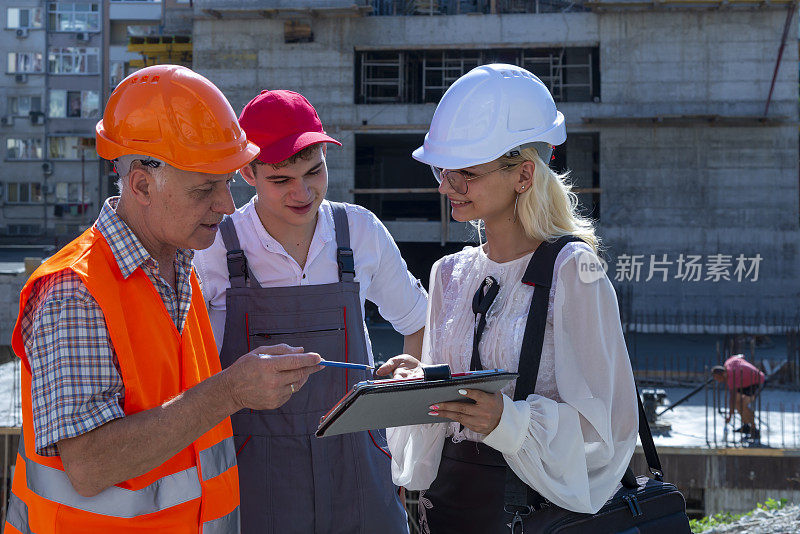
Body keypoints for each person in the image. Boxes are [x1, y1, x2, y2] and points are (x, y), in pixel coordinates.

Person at [5, 65, 322, 534]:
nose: (227, 205)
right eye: (204, 189)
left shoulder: (178, 265)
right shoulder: (74, 291)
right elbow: (90, 464)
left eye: (228, 182)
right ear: (141, 185)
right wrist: (232, 390)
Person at [378, 64, 639, 533]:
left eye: (466, 174)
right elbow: (447, 410)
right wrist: (416, 384)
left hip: (533, 510)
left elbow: (610, 428)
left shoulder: (573, 271)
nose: (445, 187)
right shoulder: (450, 274)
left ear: (523, 174)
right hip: (450, 505)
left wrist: (509, 420)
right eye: (443, 170)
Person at [193, 89, 427, 533]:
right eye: (282, 180)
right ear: (247, 172)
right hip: (254, 474)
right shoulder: (215, 248)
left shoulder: (359, 230)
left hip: (360, 465)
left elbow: (418, 321)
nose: (303, 192)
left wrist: (392, 440)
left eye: (314, 171)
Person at [712, 355, 765, 439]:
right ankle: (746, 425)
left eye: (718, 378)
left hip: (755, 381)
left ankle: (754, 429)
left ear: (722, 374)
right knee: (737, 403)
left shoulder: (731, 377)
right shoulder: (728, 362)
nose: (718, 381)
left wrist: (730, 416)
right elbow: (740, 356)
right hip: (743, 381)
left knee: (743, 405)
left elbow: (732, 398)